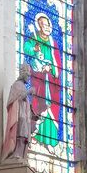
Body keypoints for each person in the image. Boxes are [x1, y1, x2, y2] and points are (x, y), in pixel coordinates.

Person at [24, 13, 62, 146]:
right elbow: (26, 48)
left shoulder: (53, 43)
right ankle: (36, 134)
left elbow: (58, 62)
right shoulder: (34, 37)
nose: (46, 27)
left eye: (48, 25)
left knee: (51, 105)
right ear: (39, 26)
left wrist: (50, 68)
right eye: (43, 25)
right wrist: (34, 49)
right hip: (38, 78)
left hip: (51, 82)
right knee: (38, 103)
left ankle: (51, 141)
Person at [1, 64, 39, 161]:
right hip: (18, 116)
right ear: (23, 74)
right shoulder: (17, 85)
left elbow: (26, 105)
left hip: (24, 116)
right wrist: (29, 91)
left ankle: (22, 155)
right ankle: (16, 153)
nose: (29, 78)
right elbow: (15, 99)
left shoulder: (23, 86)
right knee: (20, 133)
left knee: (25, 135)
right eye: (28, 75)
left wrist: (32, 115)